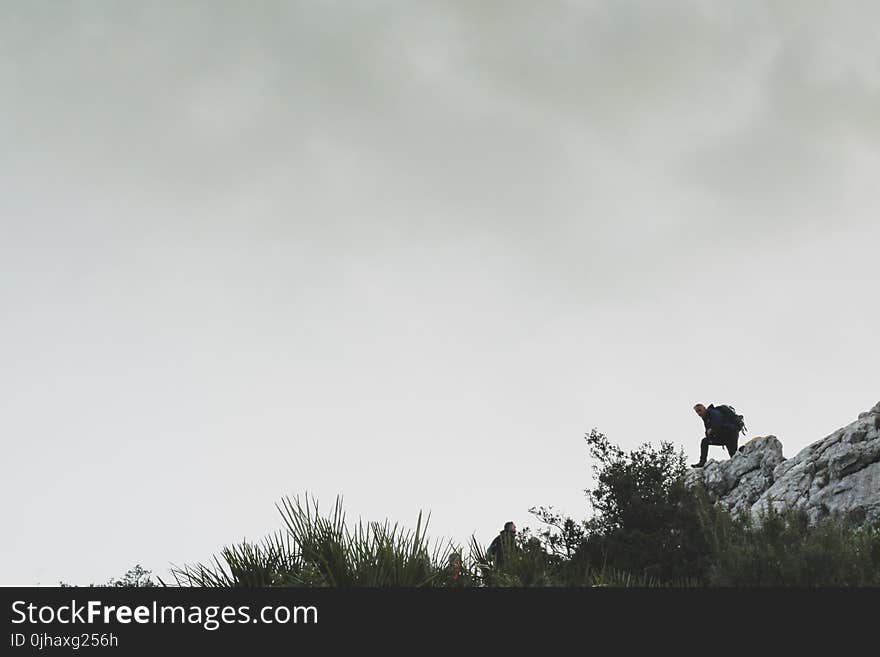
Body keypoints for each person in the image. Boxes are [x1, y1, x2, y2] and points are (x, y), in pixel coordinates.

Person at [691, 403, 740, 468]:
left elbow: (718, 423)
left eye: (700, 410)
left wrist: (712, 429)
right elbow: (708, 432)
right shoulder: (706, 418)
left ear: (704, 408)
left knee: (734, 456)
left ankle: (743, 453)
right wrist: (709, 432)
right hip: (723, 437)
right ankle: (702, 462)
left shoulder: (713, 412)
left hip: (731, 434)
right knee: (705, 441)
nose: (699, 413)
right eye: (697, 412)